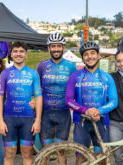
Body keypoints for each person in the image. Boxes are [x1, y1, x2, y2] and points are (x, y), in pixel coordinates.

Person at [65, 41, 118, 164]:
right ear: (82, 58)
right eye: (86, 54)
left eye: (93, 53)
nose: (90, 57)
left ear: (98, 55)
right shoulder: (75, 76)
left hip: (102, 121)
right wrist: (86, 111)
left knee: (101, 158)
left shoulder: (107, 77)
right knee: (80, 158)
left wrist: (99, 110)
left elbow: (114, 101)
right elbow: (68, 100)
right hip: (81, 122)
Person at [0, 41, 43, 165]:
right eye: (15, 51)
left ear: (26, 54)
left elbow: (38, 96)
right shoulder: (5, 73)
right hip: (9, 119)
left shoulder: (33, 73)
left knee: (27, 153)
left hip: (27, 119)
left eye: (21, 51)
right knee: (9, 153)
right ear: (10, 54)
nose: (18, 54)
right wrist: (0, 120)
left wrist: (38, 120)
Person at [37, 32, 77, 164]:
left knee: (61, 150)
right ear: (49, 48)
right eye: (53, 46)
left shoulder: (71, 66)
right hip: (45, 112)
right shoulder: (42, 66)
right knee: (45, 149)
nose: (56, 49)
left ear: (63, 47)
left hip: (63, 112)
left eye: (59, 46)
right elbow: (36, 89)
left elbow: (75, 88)